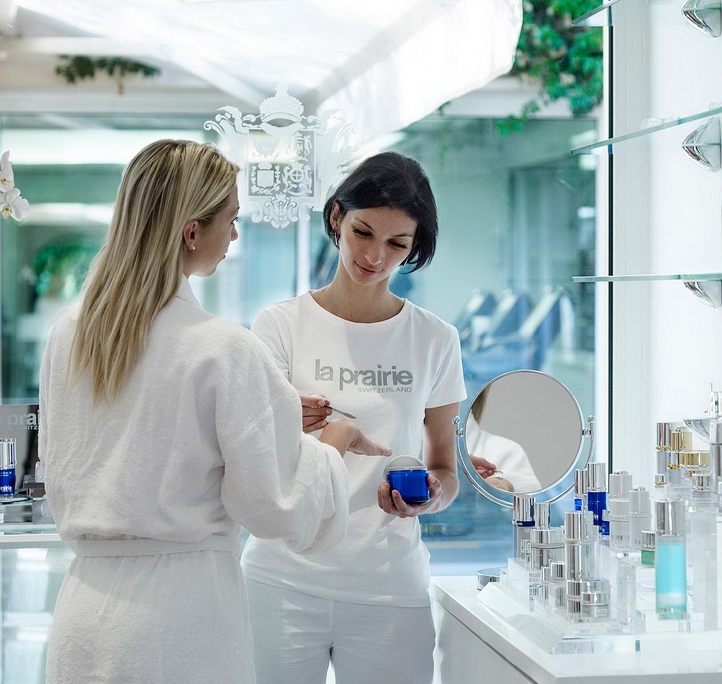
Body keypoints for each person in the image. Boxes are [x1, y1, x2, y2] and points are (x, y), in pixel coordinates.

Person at [38, 139, 388, 684]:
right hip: (177, 619)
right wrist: (335, 440)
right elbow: (273, 507)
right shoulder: (222, 348)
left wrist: (267, 410)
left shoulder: (70, 336)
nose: (235, 236)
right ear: (191, 232)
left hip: (82, 617)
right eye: (231, 220)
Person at [241, 151, 466, 684]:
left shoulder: (435, 339)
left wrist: (432, 496)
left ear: (415, 247)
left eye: (397, 244)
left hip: (389, 586)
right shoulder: (278, 326)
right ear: (337, 217)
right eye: (363, 232)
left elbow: (445, 468)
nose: (374, 256)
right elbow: (249, 456)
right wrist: (281, 420)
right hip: (281, 579)